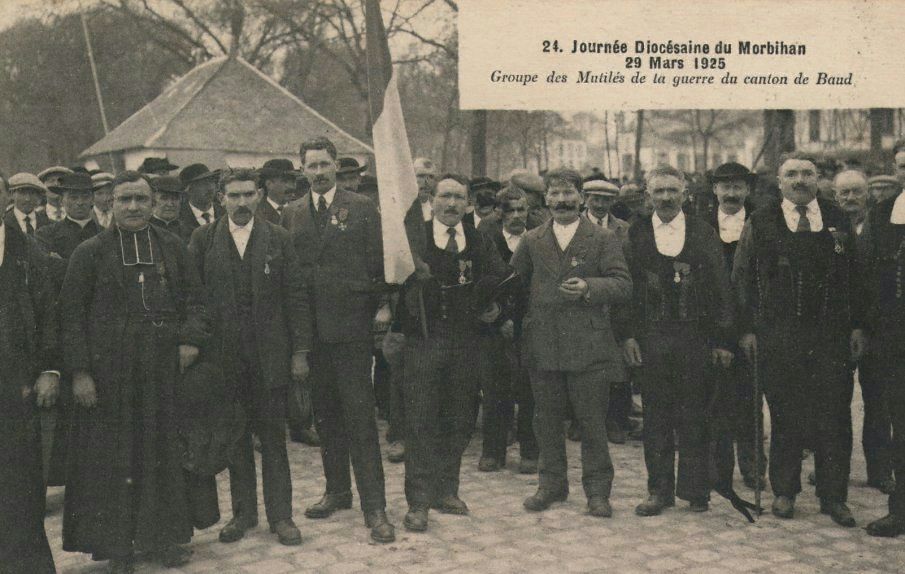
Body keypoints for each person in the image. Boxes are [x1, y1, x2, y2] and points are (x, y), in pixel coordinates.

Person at [61, 171, 209, 572]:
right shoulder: (89, 253)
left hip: (163, 373)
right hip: (110, 380)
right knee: (114, 462)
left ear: (151, 202)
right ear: (109, 202)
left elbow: (196, 302)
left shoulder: (174, 247)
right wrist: (79, 373)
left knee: (162, 457)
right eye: (124, 200)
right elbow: (70, 318)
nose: (132, 207)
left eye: (140, 200)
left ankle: (163, 540)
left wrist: (190, 342)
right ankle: (118, 548)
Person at [733, 153, 865, 527]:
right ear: (779, 182)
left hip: (831, 336)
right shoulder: (760, 222)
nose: (800, 180)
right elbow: (741, 278)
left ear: (818, 179)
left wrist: (858, 325)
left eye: (807, 173)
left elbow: (856, 277)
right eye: (792, 174)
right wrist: (745, 329)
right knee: (786, 413)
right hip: (780, 336)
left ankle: (834, 495)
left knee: (834, 415)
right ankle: (785, 490)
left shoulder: (838, 219)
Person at [188, 168, 311, 546]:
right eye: (233, 195)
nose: (241, 203)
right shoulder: (203, 239)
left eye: (248, 194)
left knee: (273, 439)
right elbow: (193, 299)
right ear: (220, 198)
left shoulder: (278, 238)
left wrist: (299, 352)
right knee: (236, 439)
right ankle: (243, 514)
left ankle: (281, 516)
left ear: (258, 195)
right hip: (224, 362)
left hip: (269, 359)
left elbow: (295, 298)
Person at [282, 136, 395, 544]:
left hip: (350, 331)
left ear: (335, 166)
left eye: (324, 165)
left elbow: (379, 263)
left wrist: (382, 307)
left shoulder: (362, 208)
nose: (318, 172)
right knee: (326, 416)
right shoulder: (292, 214)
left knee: (360, 418)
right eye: (310, 166)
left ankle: (375, 507)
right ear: (302, 169)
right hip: (311, 333)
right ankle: (337, 490)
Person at [512, 168, 631, 518]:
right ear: (545, 198)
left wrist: (589, 288)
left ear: (581, 197)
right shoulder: (532, 239)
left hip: (588, 344)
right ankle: (551, 485)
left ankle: (597, 491)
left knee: (591, 420)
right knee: (545, 419)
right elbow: (513, 283)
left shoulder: (603, 238)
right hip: (544, 343)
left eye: (569, 193)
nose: (562, 200)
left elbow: (623, 284)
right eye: (555, 193)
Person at [392, 175, 508, 531]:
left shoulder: (478, 239)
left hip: (466, 342)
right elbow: (394, 284)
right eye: (445, 197)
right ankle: (419, 502)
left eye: (459, 198)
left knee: (459, 419)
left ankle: (447, 490)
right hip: (425, 341)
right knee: (422, 421)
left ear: (469, 203)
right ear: (432, 200)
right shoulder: (415, 238)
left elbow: (499, 278)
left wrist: (496, 308)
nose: (452, 204)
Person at [620, 165, 734, 517]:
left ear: (684, 194)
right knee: (656, 417)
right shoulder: (636, 233)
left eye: (672, 190)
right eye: (659, 191)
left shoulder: (702, 231)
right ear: (648, 195)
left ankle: (696, 490)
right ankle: (659, 491)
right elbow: (627, 290)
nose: (666, 197)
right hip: (652, 337)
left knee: (696, 415)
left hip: (695, 337)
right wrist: (626, 336)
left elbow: (720, 288)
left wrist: (721, 340)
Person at [0, 175, 58, 574]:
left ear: (5, 196)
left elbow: (50, 315)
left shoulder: (29, 253)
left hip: (15, 386)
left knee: (19, 489)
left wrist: (50, 369)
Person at [704, 162, 765, 491]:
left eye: (737, 186)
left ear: (748, 190)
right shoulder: (701, 225)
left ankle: (753, 465)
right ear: (714, 190)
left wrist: (748, 327)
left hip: (748, 328)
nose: (730, 192)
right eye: (724, 186)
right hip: (711, 326)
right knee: (713, 400)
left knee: (749, 400)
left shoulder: (761, 223)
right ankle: (716, 468)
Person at [834, 169, 894, 496]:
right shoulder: (824, 226)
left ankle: (880, 469)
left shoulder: (880, 227)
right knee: (833, 402)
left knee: (877, 400)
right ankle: (834, 469)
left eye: (857, 192)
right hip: (835, 328)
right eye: (844, 193)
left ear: (866, 195)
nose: (850, 198)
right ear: (835, 195)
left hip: (874, 328)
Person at [860, 140, 905, 536]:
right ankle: (902, 509)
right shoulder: (882, 216)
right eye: (904, 165)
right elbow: (867, 280)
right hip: (896, 340)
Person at [485, 186, 539, 474]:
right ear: (499, 213)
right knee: (496, 386)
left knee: (530, 387)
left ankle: (530, 450)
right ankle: (493, 451)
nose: (517, 216)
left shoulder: (537, 239)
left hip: (530, 323)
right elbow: (483, 282)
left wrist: (521, 320)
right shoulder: (488, 240)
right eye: (510, 210)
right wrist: (499, 318)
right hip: (496, 326)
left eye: (522, 210)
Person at [582, 176, 633, 445]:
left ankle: (616, 421)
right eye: (595, 198)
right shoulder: (574, 226)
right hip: (583, 302)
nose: (600, 204)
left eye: (605, 199)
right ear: (585, 199)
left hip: (613, 304)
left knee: (616, 365)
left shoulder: (624, 230)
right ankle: (584, 421)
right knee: (583, 364)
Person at [35, 172, 101, 261]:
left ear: (92, 200)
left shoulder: (106, 234)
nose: (80, 202)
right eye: (73, 198)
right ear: (62, 200)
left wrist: (62, 262)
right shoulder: (46, 235)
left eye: (85, 197)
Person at [177, 163, 224, 234]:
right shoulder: (178, 217)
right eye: (202, 184)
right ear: (188, 189)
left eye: (212, 182)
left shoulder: (225, 214)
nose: (210, 188)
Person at [149, 176, 194, 242]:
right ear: (153, 201)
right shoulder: (145, 229)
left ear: (181, 201)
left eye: (175, 199)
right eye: (164, 198)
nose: (170, 204)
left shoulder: (190, 232)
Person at [257, 159, 298, 225]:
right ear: (269, 184)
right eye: (285, 181)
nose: (291, 187)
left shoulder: (302, 209)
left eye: (293, 181)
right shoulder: (257, 213)